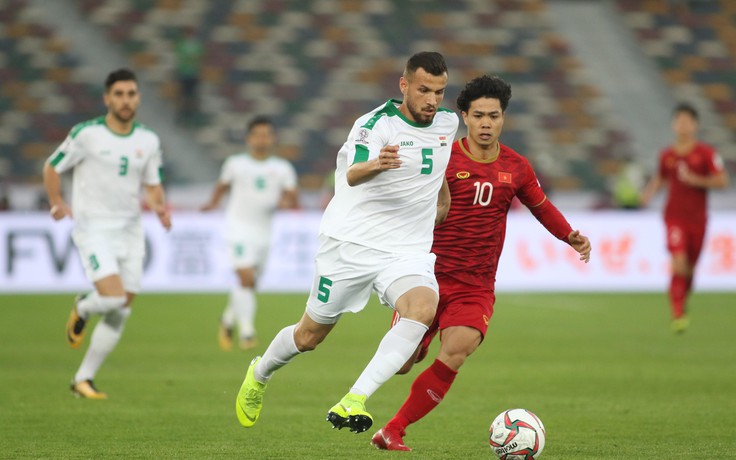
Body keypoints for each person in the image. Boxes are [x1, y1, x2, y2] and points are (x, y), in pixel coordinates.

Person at [235, 51, 459, 434]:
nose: (432, 100)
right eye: (423, 90)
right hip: (351, 245)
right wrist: (378, 163)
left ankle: (355, 398)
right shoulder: (375, 125)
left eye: (439, 92)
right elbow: (352, 174)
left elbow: (435, 162)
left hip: (406, 251)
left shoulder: (448, 123)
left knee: (422, 308)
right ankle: (260, 372)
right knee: (309, 336)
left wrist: (442, 196)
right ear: (404, 85)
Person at [371, 75, 592, 451]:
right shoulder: (443, 156)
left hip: (475, 286)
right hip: (428, 279)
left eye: (494, 115)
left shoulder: (517, 167)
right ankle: (413, 344)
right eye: (478, 116)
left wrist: (568, 235)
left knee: (457, 349)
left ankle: (393, 429)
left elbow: (541, 207)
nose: (486, 123)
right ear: (464, 118)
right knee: (404, 362)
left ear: (503, 118)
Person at [42, 68, 172, 399]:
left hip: (130, 229)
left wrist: (159, 208)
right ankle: (84, 307)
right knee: (112, 298)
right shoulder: (86, 134)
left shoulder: (148, 140)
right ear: (107, 98)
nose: (126, 100)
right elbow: (52, 165)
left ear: (138, 97)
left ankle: (83, 379)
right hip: (94, 227)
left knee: (122, 309)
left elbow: (152, 186)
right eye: (119, 94)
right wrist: (57, 201)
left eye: (131, 94)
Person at [200, 116, 299, 351]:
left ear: (273, 138)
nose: (262, 139)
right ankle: (247, 333)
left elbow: (293, 197)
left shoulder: (282, 168)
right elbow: (222, 186)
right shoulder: (235, 164)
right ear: (248, 138)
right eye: (257, 134)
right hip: (238, 229)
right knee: (245, 278)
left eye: (266, 134)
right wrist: (212, 203)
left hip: (264, 233)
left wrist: (287, 203)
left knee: (249, 284)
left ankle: (226, 320)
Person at [640, 103, 729, 333]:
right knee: (678, 263)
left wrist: (696, 180)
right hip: (674, 218)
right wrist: (648, 194)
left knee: (689, 269)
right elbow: (660, 178)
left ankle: (682, 298)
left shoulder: (706, 154)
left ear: (695, 125)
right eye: (679, 121)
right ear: (673, 125)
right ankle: (677, 313)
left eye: (687, 122)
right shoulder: (667, 156)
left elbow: (722, 181)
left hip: (698, 220)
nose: (683, 126)